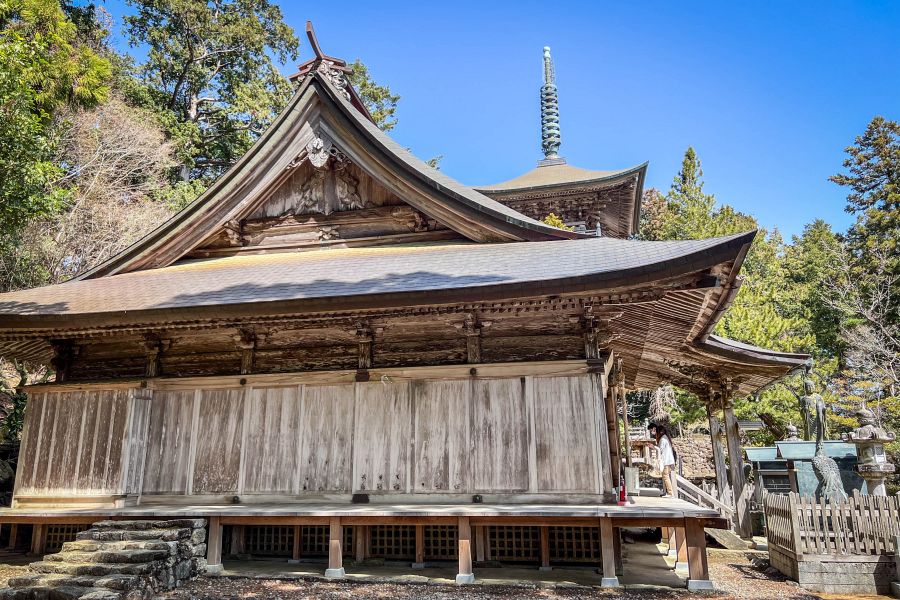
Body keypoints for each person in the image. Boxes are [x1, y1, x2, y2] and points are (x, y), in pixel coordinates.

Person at [648, 423, 676, 497]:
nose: (652, 432)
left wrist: (653, 446)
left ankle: (670, 493)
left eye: (652, 430)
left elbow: (660, 449)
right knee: (665, 476)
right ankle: (666, 492)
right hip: (667, 460)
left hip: (667, 460)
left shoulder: (663, 439)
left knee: (665, 476)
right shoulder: (664, 438)